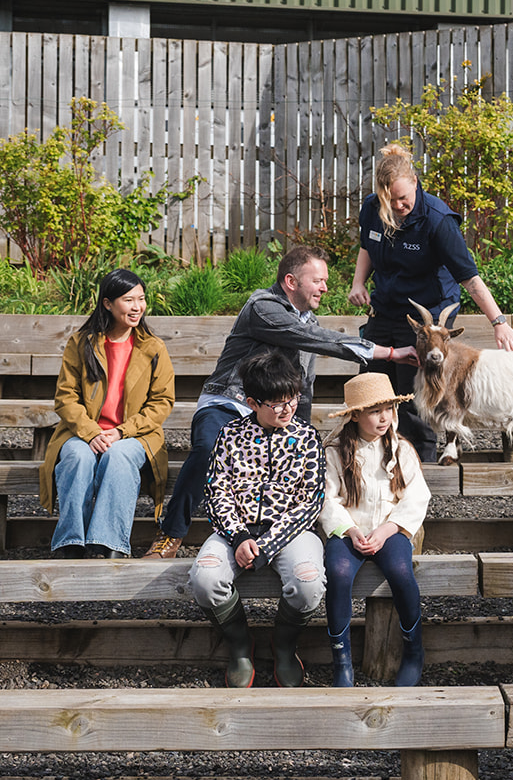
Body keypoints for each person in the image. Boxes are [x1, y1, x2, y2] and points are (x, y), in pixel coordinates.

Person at [145, 245, 414, 559]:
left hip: (276, 413)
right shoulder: (263, 307)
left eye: (325, 281)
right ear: (291, 281)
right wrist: (391, 352)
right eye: (318, 281)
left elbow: (304, 385)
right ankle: (171, 534)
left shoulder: (307, 321)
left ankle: (291, 535)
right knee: (208, 449)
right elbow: (320, 340)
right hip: (229, 403)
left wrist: (304, 432)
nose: (326, 287)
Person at [348, 142, 513, 462]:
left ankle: (420, 459)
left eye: (403, 198)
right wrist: (358, 282)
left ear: (415, 183)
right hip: (386, 308)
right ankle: (373, 457)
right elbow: (367, 246)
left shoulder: (438, 219)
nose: (398, 205)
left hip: (427, 317)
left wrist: (499, 323)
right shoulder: (373, 208)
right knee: (372, 383)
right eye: (391, 200)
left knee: (411, 390)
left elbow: (469, 277)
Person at [190, 351, 326, 688]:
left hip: (291, 533)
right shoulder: (229, 435)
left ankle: (284, 646)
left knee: (308, 584)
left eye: (292, 398)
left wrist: (266, 545)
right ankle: (239, 644)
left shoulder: (308, 438)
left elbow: (311, 501)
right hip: (235, 531)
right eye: (276, 403)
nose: (287, 408)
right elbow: (216, 491)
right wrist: (238, 538)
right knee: (205, 580)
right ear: (252, 402)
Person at [42, 268, 175, 558]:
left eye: (141, 299)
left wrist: (120, 432)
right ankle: (71, 542)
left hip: (134, 435)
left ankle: (107, 543)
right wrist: (91, 433)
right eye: (129, 300)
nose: (137, 307)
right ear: (107, 303)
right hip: (83, 433)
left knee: (117, 456)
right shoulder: (81, 344)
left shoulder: (153, 348)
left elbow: (162, 402)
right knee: (77, 456)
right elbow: (66, 398)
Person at [320, 372, 432, 687]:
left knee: (399, 570)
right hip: (349, 532)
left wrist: (386, 531)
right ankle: (341, 661)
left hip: (390, 530)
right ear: (354, 415)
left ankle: (413, 651)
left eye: (388, 409)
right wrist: (351, 531)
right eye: (374, 411)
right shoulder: (335, 451)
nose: (384, 418)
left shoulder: (400, 449)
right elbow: (326, 499)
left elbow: (417, 495)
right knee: (338, 572)